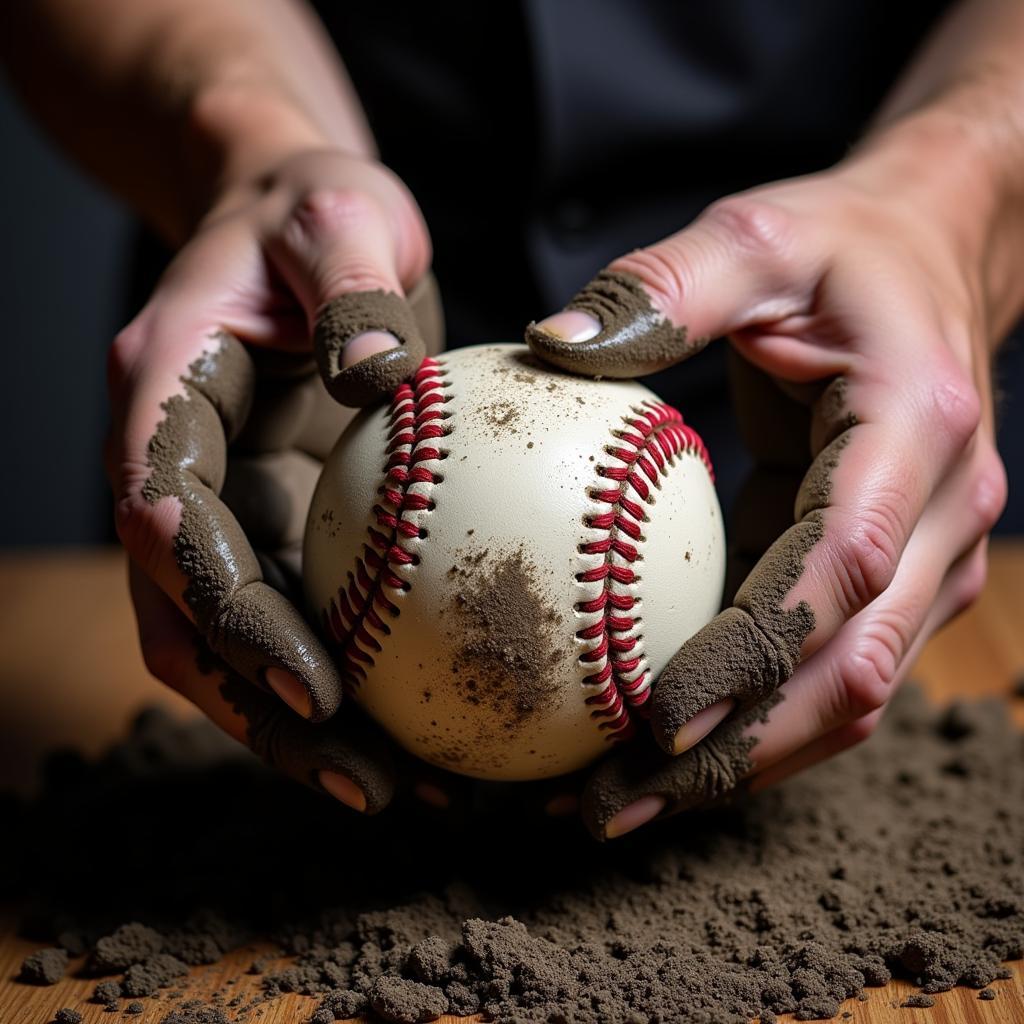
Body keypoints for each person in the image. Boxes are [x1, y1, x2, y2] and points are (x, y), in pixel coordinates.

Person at [4, 0, 1017, 840]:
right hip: (304, 386)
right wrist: (246, 133)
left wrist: (948, 190)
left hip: (789, 382)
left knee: (788, 628)